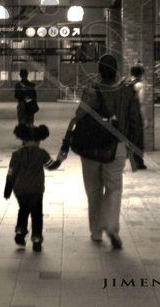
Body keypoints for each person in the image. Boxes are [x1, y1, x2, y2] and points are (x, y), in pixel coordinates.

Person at [58, 54, 143, 249]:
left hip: (90, 146)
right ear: (116, 71)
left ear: (99, 70)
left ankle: (96, 231)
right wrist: (131, 142)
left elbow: (79, 116)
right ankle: (111, 227)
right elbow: (135, 121)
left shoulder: (91, 90)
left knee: (93, 190)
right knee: (114, 187)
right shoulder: (127, 91)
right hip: (117, 145)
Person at [4, 123, 61, 252]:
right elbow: (51, 166)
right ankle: (36, 239)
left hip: (20, 189)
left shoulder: (16, 154)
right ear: (38, 140)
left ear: (23, 139)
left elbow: (11, 172)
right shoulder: (42, 153)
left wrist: (7, 189)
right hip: (36, 189)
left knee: (23, 210)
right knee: (36, 214)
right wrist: (60, 160)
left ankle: (20, 232)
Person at [127, 62, 147, 170]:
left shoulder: (126, 83)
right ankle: (138, 162)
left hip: (126, 114)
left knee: (129, 138)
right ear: (141, 74)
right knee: (138, 139)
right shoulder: (140, 85)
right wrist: (145, 119)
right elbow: (142, 103)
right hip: (135, 115)